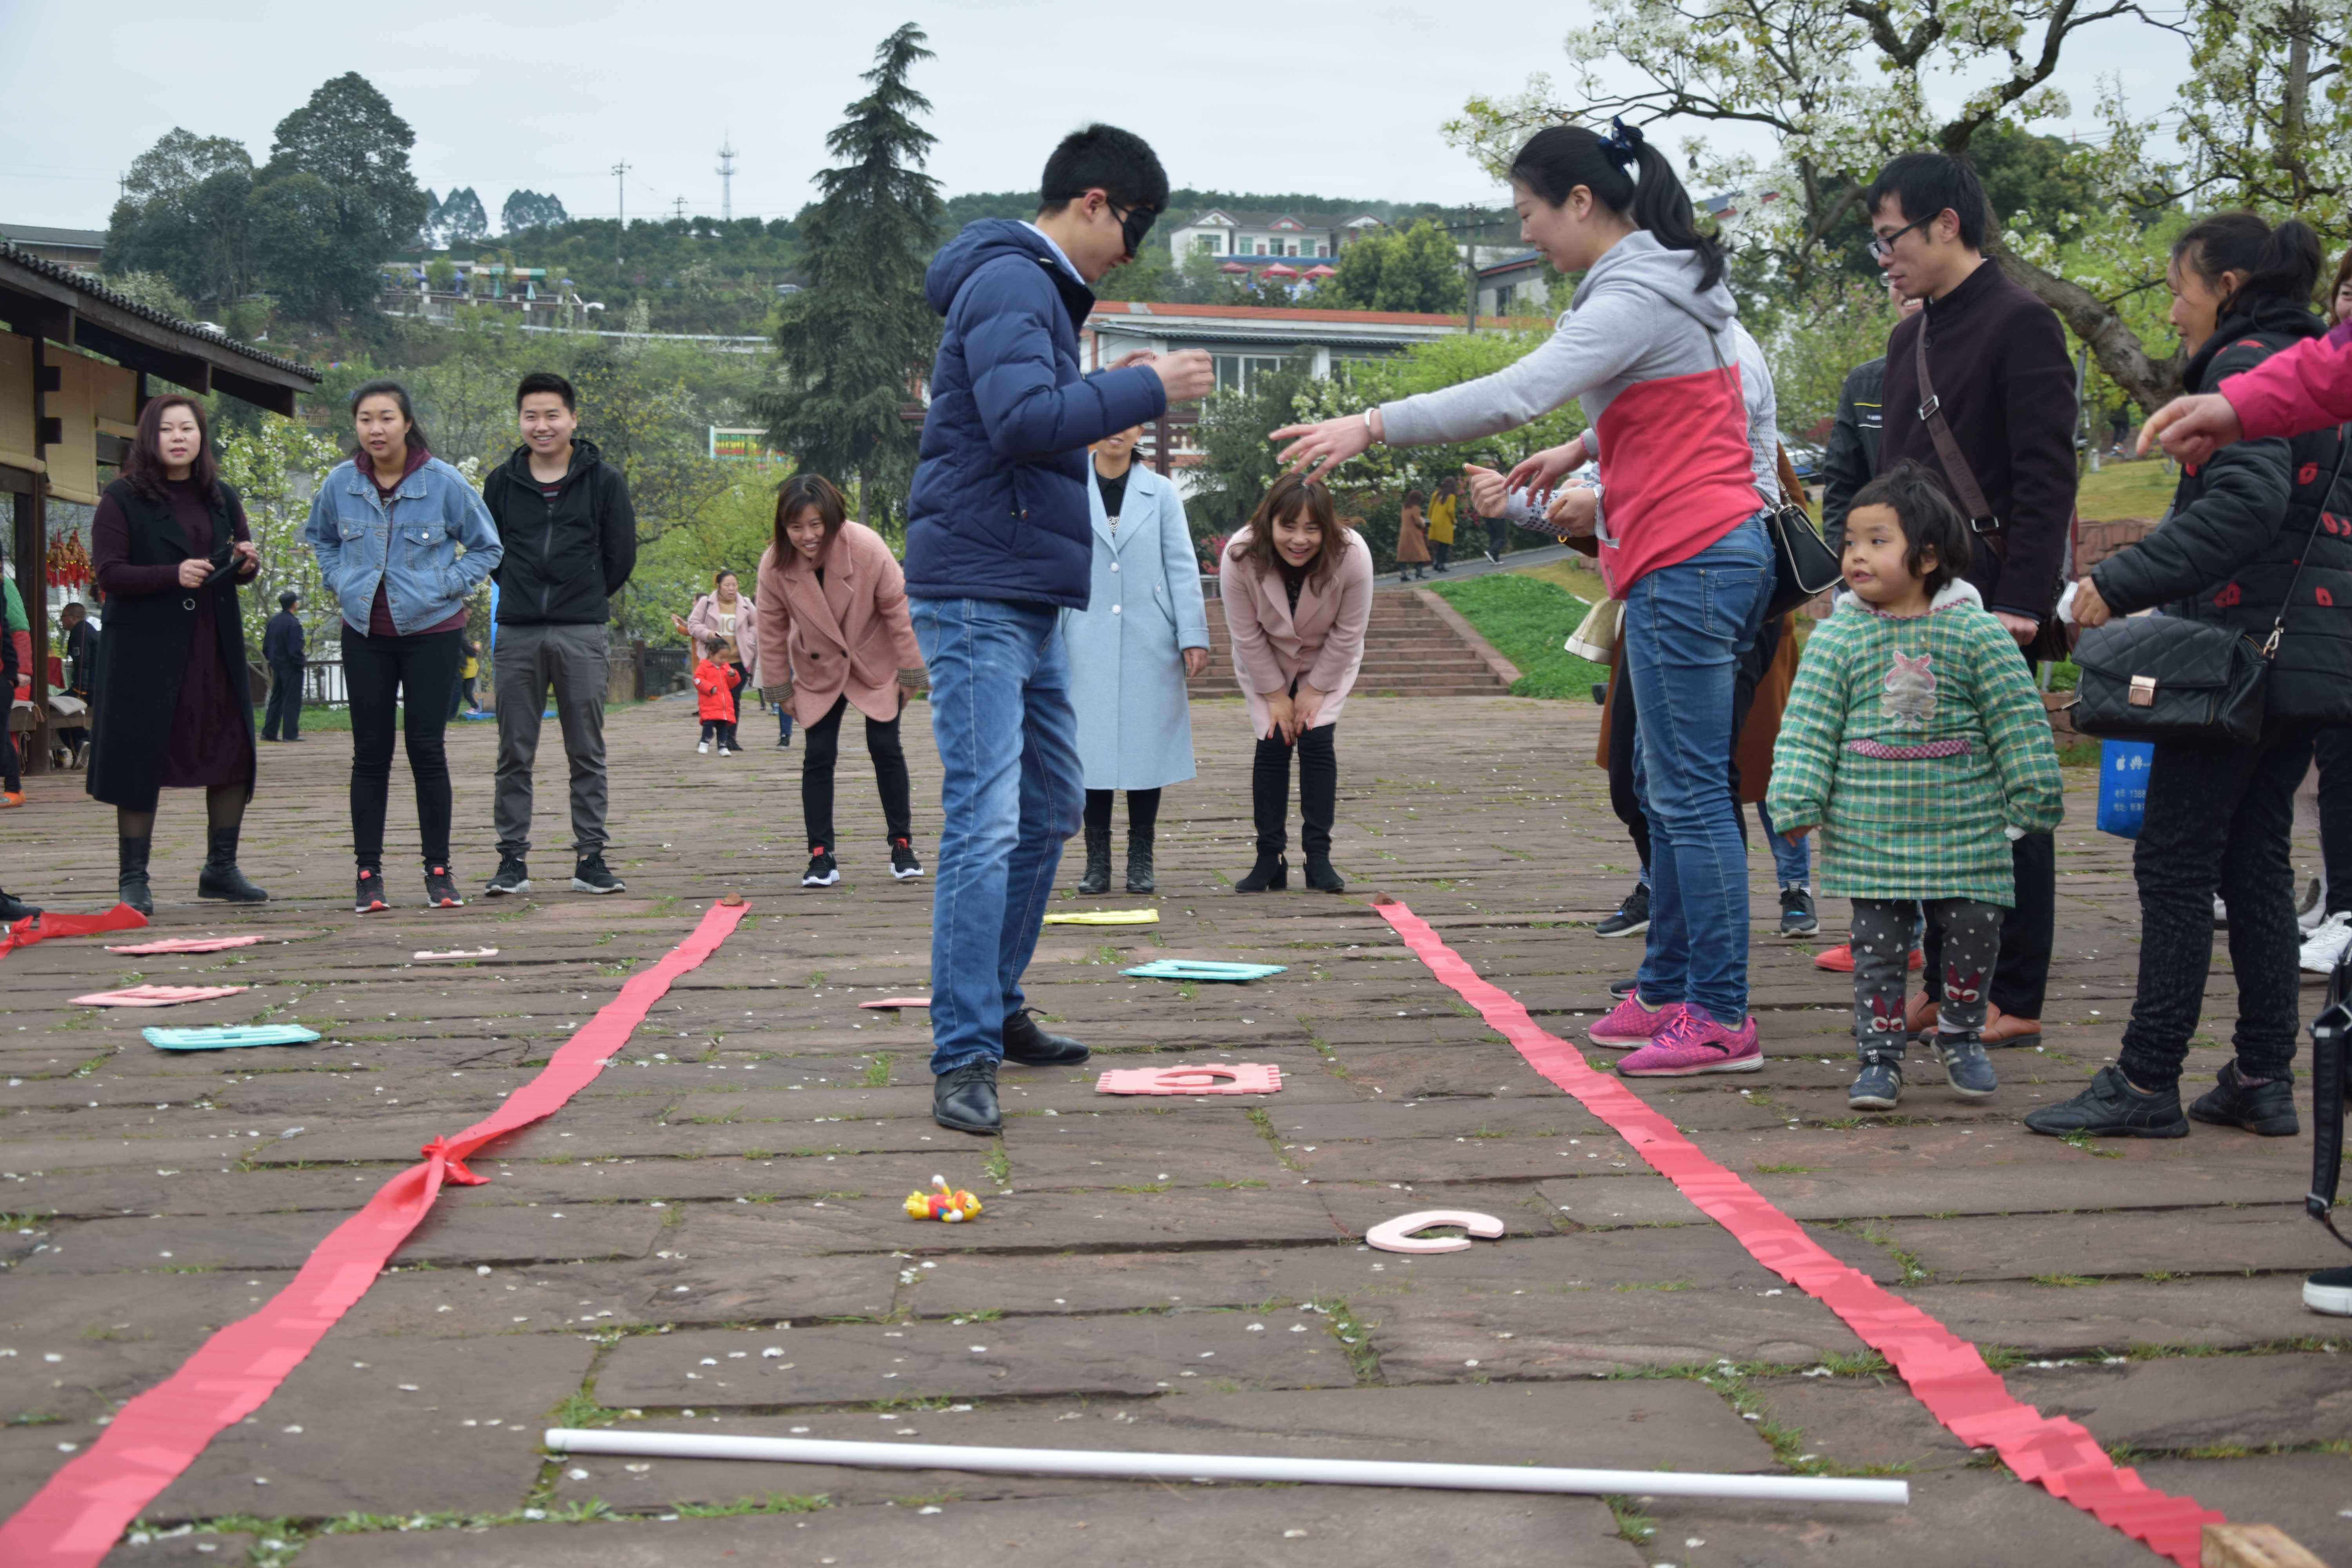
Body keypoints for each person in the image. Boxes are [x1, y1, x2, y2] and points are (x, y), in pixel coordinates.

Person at [1308, 117, 1771, 1080]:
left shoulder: (1636, 292)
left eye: (1528, 214)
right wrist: (1587, 446)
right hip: (1685, 552)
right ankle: (1672, 983)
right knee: (1665, 785)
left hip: (1692, 554)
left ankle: (1719, 1013)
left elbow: (1516, 393)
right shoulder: (1664, 282)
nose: (1526, 236)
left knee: (1690, 796)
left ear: (1580, 202)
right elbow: (1679, 400)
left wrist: (1371, 422)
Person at [903, 122, 1215, 1136]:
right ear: (1092, 202)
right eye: (1133, 230)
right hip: (977, 592)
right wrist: (1145, 385)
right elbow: (1023, 421)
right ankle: (961, 1053)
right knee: (989, 819)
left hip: (1024, 590)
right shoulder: (1012, 283)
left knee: (1046, 810)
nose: (1130, 255)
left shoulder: (1034, 289)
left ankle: (993, 1006)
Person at [2028, 213, 2352, 1143]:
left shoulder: (2246, 364)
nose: (2172, 309)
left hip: (2237, 657)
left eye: (2180, 288)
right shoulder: (2322, 368)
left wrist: (2112, 583)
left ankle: (2145, 1074)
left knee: (2173, 860)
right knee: (2254, 858)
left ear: (2230, 283)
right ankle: (2260, 1074)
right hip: (2309, 657)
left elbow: (2245, 505)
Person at [1767, 464, 2063, 1109]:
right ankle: (1879, 1055)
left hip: (1966, 825)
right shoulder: (1840, 635)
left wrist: (2032, 789)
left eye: (1878, 541)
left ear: (1928, 556)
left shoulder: (1975, 631)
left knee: (1975, 930)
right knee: (1878, 948)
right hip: (1872, 829)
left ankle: (1960, 1032)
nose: (1856, 556)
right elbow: (1809, 724)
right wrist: (1795, 797)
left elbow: (2015, 717)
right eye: (1851, 542)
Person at [1867, 151, 2077, 1049]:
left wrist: (2024, 602)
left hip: (1995, 604)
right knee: (1927, 794)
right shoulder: (1907, 337)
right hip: (1914, 605)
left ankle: (2013, 991)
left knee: (2007, 803)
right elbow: (1892, 478)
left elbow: (2046, 474)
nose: (1886, 258)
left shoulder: (2022, 322)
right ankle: (1951, 980)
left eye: (1892, 238)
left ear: (1946, 223)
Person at [303, 380, 502, 915]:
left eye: (386, 418)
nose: (376, 429)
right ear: (357, 426)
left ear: (407, 423)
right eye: (366, 419)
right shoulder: (340, 483)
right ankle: (368, 874)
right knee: (370, 755)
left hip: (433, 632)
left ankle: (439, 871)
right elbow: (320, 538)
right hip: (364, 632)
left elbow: (488, 546)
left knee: (427, 750)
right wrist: (341, 581)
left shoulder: (444, 482)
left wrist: (446, 585)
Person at [86, 394, 268, 912]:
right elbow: (109, 573)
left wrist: (245, 562)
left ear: (201, 437)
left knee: (231, 748)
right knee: (141, 754)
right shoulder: (121, 498)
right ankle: (134, 879)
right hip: (144, 650)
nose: (179, 438)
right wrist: (173, 574)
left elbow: (238, 557)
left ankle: (221, 868)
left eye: (188, 428)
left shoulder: (220, 495)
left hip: (212, 642)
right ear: (150, 437)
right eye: (167, 429)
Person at [481, 370, 635, 899]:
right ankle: (511, 862)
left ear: (573, 418)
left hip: (582, 629)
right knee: (513, 751)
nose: (541, 425)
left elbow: (621, 555)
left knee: (586, 749)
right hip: (519, 632)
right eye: (531, 416)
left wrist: (583, 595)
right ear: (520, 420)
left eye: (552, 415)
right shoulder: (502, 482)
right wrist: (526, 594)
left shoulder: (603, 480)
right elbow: (492, 553)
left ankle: (590, 858)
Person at [755, 473, 927, 888]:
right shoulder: (775, 564)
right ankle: (820, 854)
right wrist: (780, 689)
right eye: (796, 527)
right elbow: (770, 630)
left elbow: (899, 610)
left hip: (874, 657)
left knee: (885, 746)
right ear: (784, 526)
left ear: (832, 518)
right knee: (818, 754)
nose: (807, 536)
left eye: (816, 524)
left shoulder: (866, 546)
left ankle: (902, 844)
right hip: (819, 665)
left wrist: (911, 671)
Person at [1063, 424, 1210, 895]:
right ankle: (1097, 859)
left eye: (1127, 421)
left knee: (1147, 748)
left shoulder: (1162, 491)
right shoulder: (1066, 487)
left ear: (1140, 429)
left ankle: (1142, 856)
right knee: (1090, 749)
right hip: (1082, 633)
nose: (1115, 432)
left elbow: (1182, 563)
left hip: (1151, 634)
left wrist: (1192, 633)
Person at [1221, 474, 1372, 893]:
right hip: (1264, 657)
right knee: (1272, 741)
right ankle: (1269, 859)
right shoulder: (1240, 555)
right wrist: (1274, 694)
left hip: (1328, 658)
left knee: (1316, 740)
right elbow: (1245, 633)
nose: (1299, 539)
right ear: (1270, 524)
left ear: (1328, 527)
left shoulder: (1353, 555)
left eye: (1312, 528)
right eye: (1288, 527)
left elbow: (1349, 631)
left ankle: (1318, 858)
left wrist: (1316, 688)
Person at [683, 568, 757, 747]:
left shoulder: (746, 604)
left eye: (735, 585)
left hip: (738, 661)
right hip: (713, 663)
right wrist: (709, 635)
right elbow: (693, 625)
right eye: (728, 585)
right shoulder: (706, 603)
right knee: (713, 700)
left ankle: (730, 739)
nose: (732, 589)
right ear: (719, 586)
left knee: (734, 700)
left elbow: (758, 624)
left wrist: (749, 639)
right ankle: (709, 735)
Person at [261, 590, 305, 742]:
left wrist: (273, 660)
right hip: (291, 667)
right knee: (292, 700)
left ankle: (269, 733)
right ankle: (290, 734)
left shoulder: (274, 621)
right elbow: (295, 649)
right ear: (294, 604)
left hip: (277, 665)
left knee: (277, 698)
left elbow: (266, 647)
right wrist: (300, 664)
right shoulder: (293, 624)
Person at [692, 637, 740, 755]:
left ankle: (723, 746)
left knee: (723, 728)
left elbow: (734, 683)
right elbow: (698, 680)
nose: (724, 661)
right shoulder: (704, 667)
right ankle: (705, 743)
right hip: (710, 704)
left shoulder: (726, 668)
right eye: (721, 658)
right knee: (708, 725)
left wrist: (733, 675)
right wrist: (710, 688)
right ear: (712, 654)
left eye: (726, 658)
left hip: (724, 706)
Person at [1394, 488, 1432, 581]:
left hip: (1404, 533)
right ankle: (1419, 573)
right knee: (1420, 553)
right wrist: (1424, 524)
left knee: (1403, 555)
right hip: (1414, 533)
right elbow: (1418, 521)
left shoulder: (1405, 507)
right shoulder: (1416, 508)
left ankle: (1403, 575)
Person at [1424, 477, 1457, 573]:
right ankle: (1441, 564)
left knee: (1438, 545)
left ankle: (1436, 563)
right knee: (1445, 545)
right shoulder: (1451, 497)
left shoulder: (1436, 494)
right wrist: (1454, 520)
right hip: (1445, 523)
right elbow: (1450, 511)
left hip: (1434, 522)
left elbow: (1430, 508)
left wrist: (1430, 519)